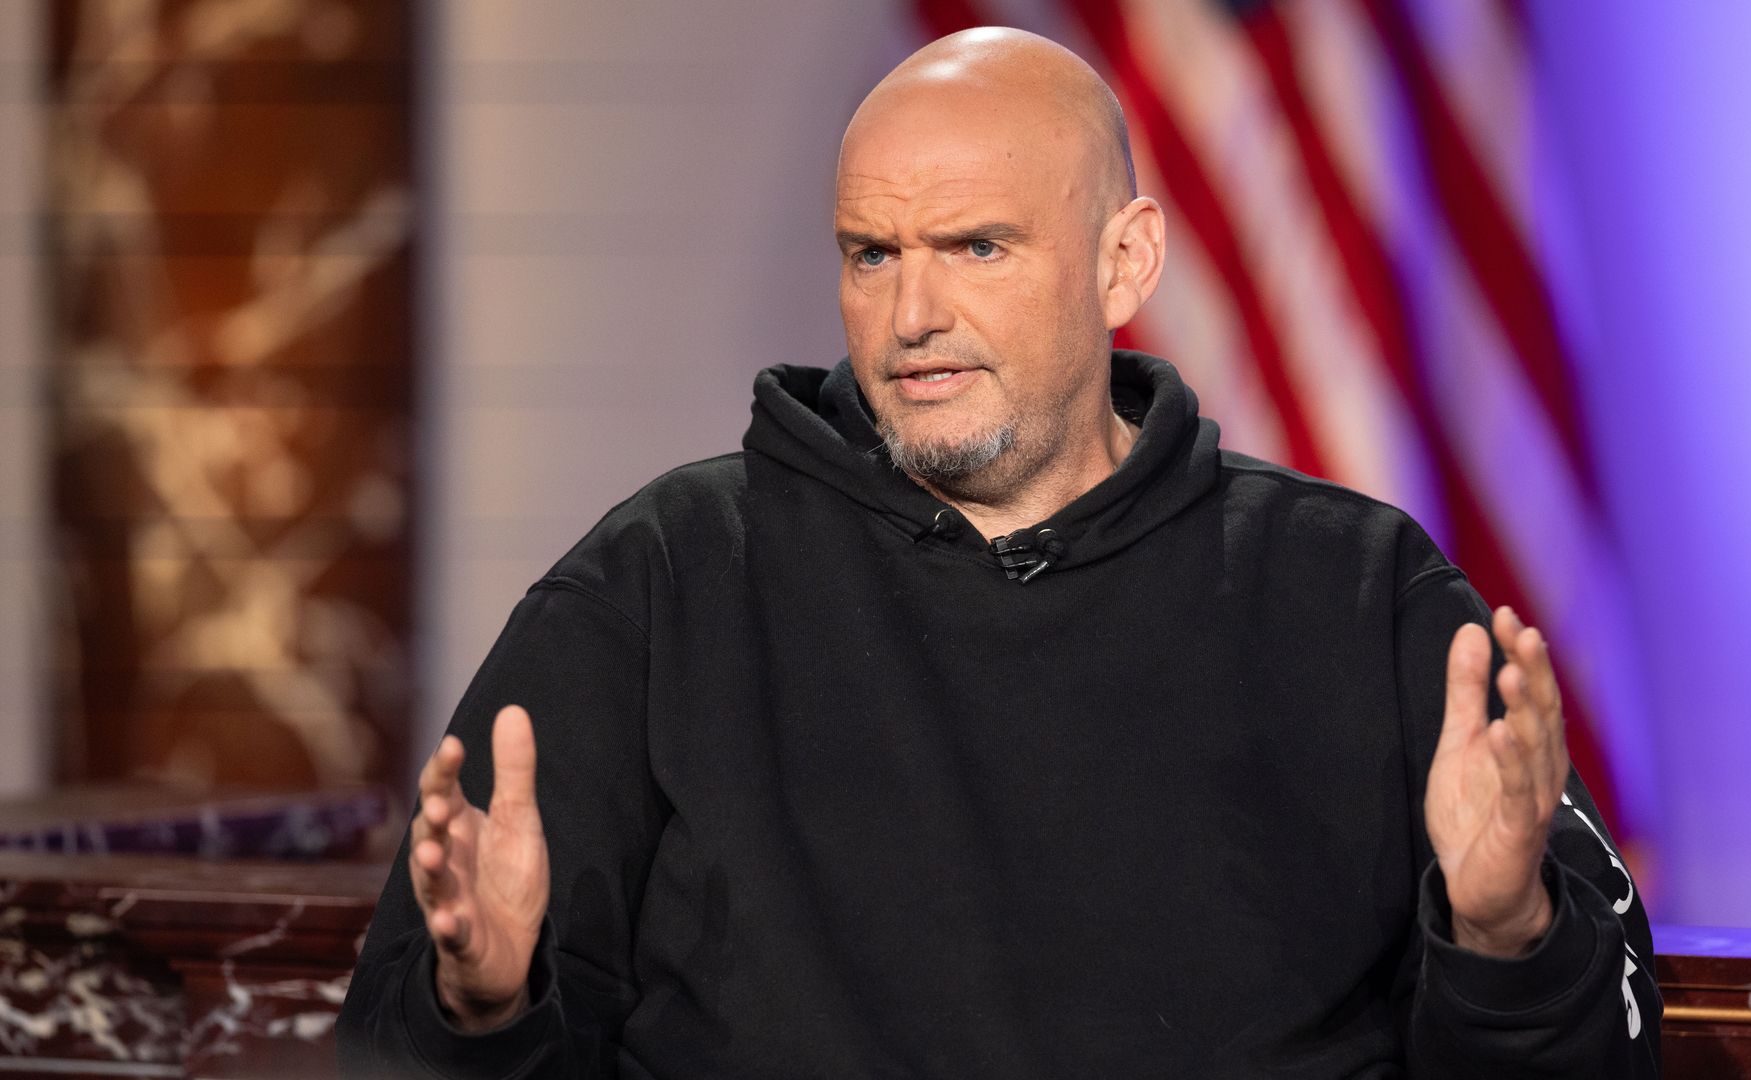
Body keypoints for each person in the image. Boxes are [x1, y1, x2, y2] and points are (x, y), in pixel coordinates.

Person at [337, 27, 1660, 1078]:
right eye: (872, 254)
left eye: (976, 246)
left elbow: (1595, 1049)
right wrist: (487, 1006)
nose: (912, 313)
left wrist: (1503, 939)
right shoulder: (663, 582)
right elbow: (393, 1049)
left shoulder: (1356, 592)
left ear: (1124, 260)